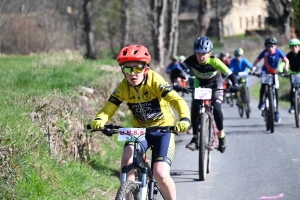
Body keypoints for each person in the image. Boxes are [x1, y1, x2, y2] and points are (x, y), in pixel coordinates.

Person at [90, 44, 190, 200]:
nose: (133, 74)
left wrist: (184, 119)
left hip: (163, 131)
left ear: (145, 68)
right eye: (127, 69)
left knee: (160, 174)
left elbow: (177, 100)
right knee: (126, 162)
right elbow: (108, 109)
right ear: (122, 70)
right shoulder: (123, 87)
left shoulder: (155, 81)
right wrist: (99, 120)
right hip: (139, 131)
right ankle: (127, 195)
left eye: (137, 68)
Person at [182, 36, 240, 153]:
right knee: (195, 105)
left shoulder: (215, 62)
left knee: (217, 109)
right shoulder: (191, 60)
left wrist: (235, 84)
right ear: (195, 53)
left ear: (210, 53)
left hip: (215, 84)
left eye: (204, 53)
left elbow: (230, 74)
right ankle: (194, 138)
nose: (201, 56)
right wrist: (175, 81)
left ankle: (221, 135)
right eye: (198, 53)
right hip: (200, 84)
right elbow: (178, 70)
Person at [252, 37, 289, 122]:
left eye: (272, 46)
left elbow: (286, 60)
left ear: (276, 46)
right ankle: (261, 102)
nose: (270, 48)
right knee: (263, 85)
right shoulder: (264, 53)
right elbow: (256, 61)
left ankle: (276, 112)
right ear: (266, 47)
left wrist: (286, 68)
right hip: (265, 72)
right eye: (268, 46)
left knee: (275, 91)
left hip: (274, 72)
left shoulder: (279, 52)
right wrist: (253, 68)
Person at [286, 38, 300, 113]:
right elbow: (283, 63)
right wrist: (283, 70)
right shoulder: (288, 55)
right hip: (293, 74)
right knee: (293, 90)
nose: (294, 48)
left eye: (296, 46)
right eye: (292, 46)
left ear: (299, 47)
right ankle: (292, 106)